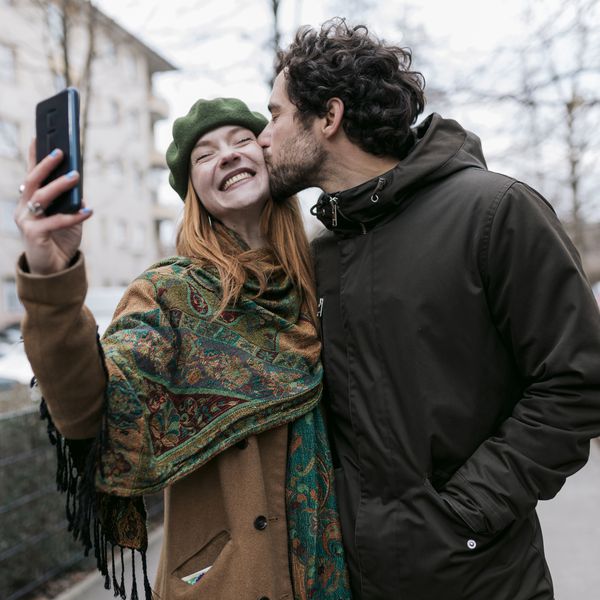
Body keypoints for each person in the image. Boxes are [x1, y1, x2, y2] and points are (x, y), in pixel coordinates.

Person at [257, 18, 600, 600]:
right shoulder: (322, 257)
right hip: (356, 582)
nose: (263, 136)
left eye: (275, 114)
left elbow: (577, 381)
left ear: (329, 117)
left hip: (482, 578)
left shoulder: (494, 213)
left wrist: (467, 514)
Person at [15, 98, 351, 600]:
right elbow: (91, 408)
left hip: (337, 569)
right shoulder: (167, 294)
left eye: (243, 141)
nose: (229, 156)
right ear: (193, 190)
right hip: (228, 581)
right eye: (205, 155)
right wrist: (51, 278)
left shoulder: (324, 274)